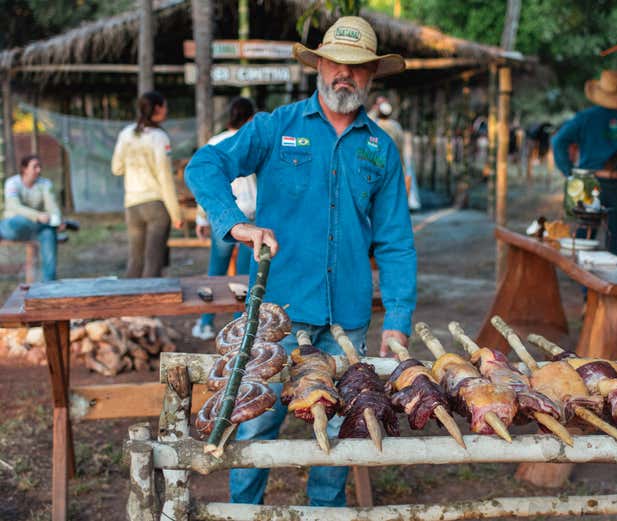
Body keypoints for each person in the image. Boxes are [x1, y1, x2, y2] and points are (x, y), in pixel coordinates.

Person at [185, 16, 416, 507]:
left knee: (332, 436)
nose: (344, 76)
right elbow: (204, 165)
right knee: (252, 429)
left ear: (372, 75)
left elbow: (396, 240)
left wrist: (397, 318)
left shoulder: (380, 150)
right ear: (318, 65)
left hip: (345, 325)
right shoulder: (275, 127)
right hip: (276, 317)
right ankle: (242, 514)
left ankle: (325, 514)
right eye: (335, 63)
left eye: (357, 68)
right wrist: (235, 223)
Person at [551, 70, 617, 257]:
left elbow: (558, 142)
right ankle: (611, 285)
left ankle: (586, 286)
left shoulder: (585, 118)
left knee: (583, 241)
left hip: (588, 182)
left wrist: (569, 172)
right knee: (615, 244)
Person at [191, 97, 257, 340]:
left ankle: (206, 321)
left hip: (223, 216)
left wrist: (202, 218)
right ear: (250, 118)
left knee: (216, 273)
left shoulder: (215, 142)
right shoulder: (253, 140)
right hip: (249, 216)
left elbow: (204, 186)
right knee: (243, 278)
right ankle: (238, 326)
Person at [111, 91, 183, 277]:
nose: (166, 110)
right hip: (156, 206)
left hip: (132, 205)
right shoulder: (159, 137)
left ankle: (128, 304)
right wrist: (176, 213)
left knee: (135, 261)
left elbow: (116, 168)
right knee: (153, 264)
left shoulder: (126, 134)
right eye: (165, 106)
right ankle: (151, 305)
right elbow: (165, 178)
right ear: (158, 109)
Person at [0, 154, 65, 281]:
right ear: (24, 168)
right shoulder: (12, 183)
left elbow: (52, 206)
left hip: (36, 229)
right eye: (35, 167)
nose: (39, 170)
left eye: (40, 166)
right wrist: (37, 216)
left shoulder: (45, 184)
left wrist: (57, 219)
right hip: (13, 226)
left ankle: (49, 284)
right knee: (24, 221)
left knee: (48, 232)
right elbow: (14, 206)